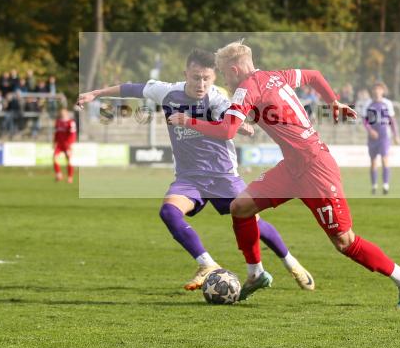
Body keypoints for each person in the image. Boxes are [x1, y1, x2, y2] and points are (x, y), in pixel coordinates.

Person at [169, 40, 400, 308]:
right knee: (240, 206)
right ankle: (256, 274)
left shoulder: (246, 88)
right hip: (292, 167)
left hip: (316, 169)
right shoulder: (277, 76)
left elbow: (228, 131)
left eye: (223, 74)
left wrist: (188, 121)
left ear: (233, 70)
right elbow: (314, 75)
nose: (225, 83)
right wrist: (333, 102)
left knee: (344, 241)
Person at [78, 48, 315, 293]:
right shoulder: (168, 92)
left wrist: (241, 127)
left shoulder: (217, 99)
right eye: (195, 77)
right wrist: (95, 93)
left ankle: (291, 263)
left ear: (214, 78)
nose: (201, 84)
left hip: (223, 175)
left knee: (252, 221)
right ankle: (207, 265)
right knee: (168, 212)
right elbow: (132, 88)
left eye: (207, 78)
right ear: (186, 74)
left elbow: (236, 122)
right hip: (190, 178)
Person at [364, 82, 399, 195]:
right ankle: (374, 186)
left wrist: (396, 135)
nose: (377, 91)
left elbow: (392, 120)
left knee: (385, 159)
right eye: (375, 89)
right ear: (372, 91)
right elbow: (365, 121)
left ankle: (385, 185)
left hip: (384, 136)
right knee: (373, 161)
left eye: (379, 89)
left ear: (383, 91)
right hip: (372, 137)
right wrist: (371, 131)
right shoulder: (368, 104)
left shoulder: (387, 103)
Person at [52, 107, 76, 183]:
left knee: (69, 160)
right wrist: (54, 142)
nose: (62, 114)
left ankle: (70, 177)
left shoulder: (71, 122)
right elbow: (56, 133)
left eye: (63, 112)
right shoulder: (58, 122)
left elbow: (73, 134)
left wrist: (70, 144)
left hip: (67, 144)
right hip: (59, 144)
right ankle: (59, 174)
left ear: (66, 113)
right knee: (54, 158)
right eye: (61, 112)